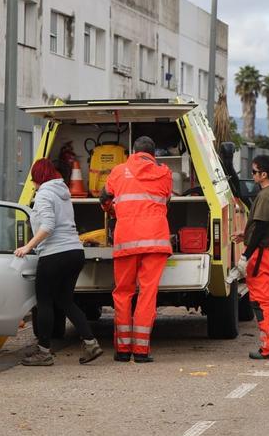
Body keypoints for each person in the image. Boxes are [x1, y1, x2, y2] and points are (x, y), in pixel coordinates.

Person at [14, 159, 103, 366]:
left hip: (55, 254)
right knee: (65, 301)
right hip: (74, 252)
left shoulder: (44, 194)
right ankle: (90, 343)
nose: (33, 183)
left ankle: (43, 352)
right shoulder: (63, 194)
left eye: (34, 179)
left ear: (38, 177)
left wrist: (28, 247)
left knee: (44, 301)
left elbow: (48, 226)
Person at [100, 136, 172, 362]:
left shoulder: (118, 171)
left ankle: (122, 351)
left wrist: (113, 211)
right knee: (147, 294)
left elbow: (103, 198)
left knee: (122, 293)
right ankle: (141, 351)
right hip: (155, 241)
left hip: (126, 239)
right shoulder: (165, 173)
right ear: (153, 154)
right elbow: (166, 200)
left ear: (133, 151)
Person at [234, 154, 269, 360]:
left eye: (255, 172)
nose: (252, 175)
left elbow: (262, 227)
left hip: (262, 257)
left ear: (264, 174)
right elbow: (266, 227)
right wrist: (246, 235)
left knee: (260, 302)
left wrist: (245, 255)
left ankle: (268, 348)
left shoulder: (266, 196)